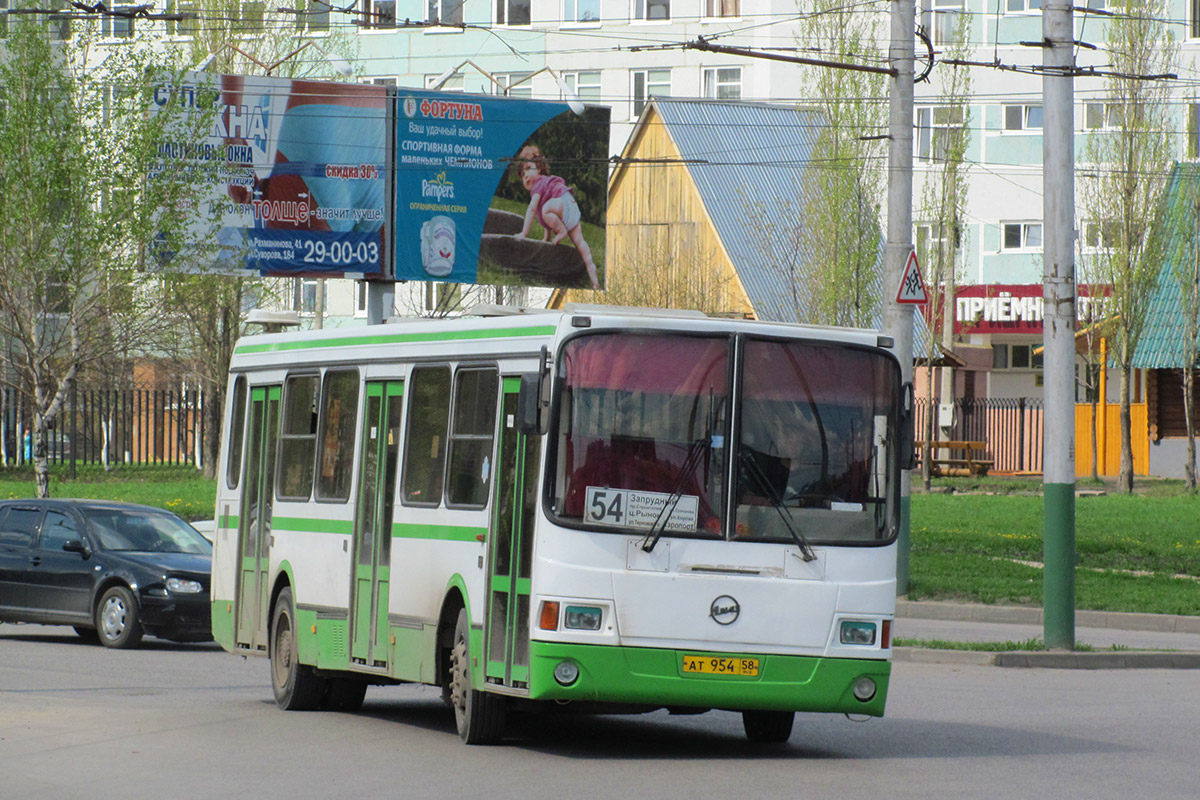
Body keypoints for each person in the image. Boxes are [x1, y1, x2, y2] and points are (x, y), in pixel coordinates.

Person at [513, 145, 601, 290]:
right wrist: (546, 237)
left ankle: (562, 231)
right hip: (569, 205)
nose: (526, 175)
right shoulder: (545, 186)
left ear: (539, 168)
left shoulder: (539, 184)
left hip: (563, 203)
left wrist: (524, 233)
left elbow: (532, 209)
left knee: (545, 209)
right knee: (579, 241)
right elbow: (546, 220)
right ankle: (592, 271)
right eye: (522, 174)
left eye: (528, 168)